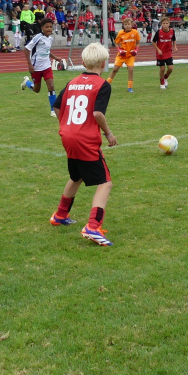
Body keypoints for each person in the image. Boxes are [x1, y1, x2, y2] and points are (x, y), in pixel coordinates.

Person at [49, 42, 117, 246]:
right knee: (105, 183)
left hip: (68, 136)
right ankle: (93, 227)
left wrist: (65, 125)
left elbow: (57, 106)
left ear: (84, 62)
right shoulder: (103, 85)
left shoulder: (72, 82)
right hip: (85, 139)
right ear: (103, 63)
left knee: (76, 176)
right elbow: (97, 114)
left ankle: (60, 215)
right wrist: (109, 134)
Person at [21, 18, 60, 116]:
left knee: (51, 86)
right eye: (47, 27)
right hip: (36, 68)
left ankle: (53, 110)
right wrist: (30, 65)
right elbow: (26, 49)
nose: (49, 29)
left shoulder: (50, 38)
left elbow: (46, 51)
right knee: (36, 90)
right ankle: (27, 82)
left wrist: (55, 57)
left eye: (50, 27)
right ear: (42, 27)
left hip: (47, 66)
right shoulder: (38, 37)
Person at [106, 16, 141, 93]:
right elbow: (116, 43)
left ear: (131, 25)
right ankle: (106, 85)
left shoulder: (135, 32)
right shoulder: (120, 33)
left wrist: (136, 50)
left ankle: (130, 87)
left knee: (131, 69)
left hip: (130, 55)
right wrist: (119, 50)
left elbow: (138, 42)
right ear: (123, 25)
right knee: (115, 69)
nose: (127, 26)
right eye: (125, 24)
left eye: (128, 24)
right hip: (122, 55)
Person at [153, 15, 178, 89]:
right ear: (161, 24)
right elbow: (153, 42)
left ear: (169, 24)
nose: (165, 25)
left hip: (168, 52)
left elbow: (174, 39)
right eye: (164, 23)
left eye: (167, 23)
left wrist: (175, 47)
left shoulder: (172, 31)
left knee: (170, 68)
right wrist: (158, 49)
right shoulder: (159, 32)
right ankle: (162, 84)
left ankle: (165, 78)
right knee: (162, 69)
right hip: (160, 53)